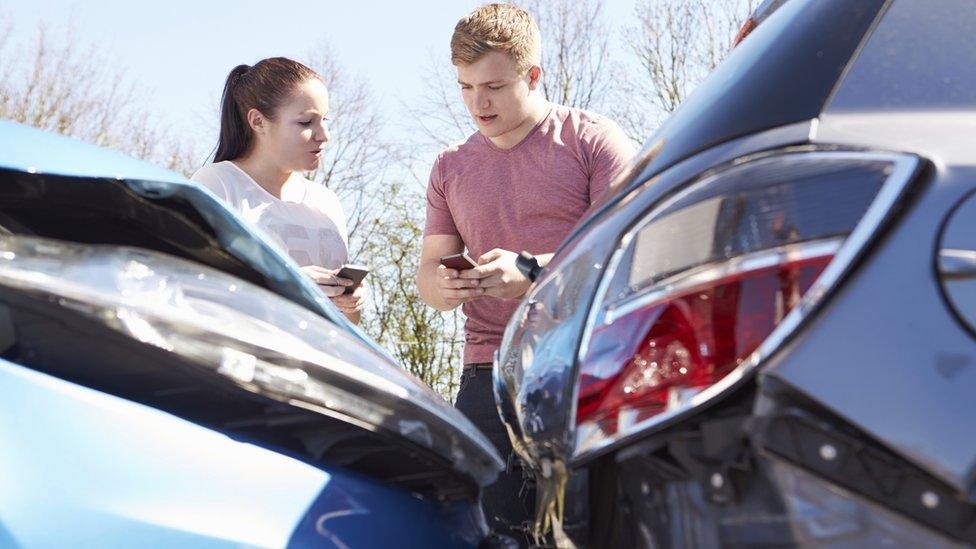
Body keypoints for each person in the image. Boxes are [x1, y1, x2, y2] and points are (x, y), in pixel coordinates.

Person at [416, 4, 636, 543]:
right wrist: (443, 287)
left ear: (533, 75)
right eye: (465, 87)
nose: (476, 103)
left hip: (586, 365)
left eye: (492, 86)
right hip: (486, 375)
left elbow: (628, 258)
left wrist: (535, 273)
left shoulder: (593, 141)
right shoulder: (450, 167)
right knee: (494, 537)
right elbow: (427, 276)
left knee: (595, 533)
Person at [192, 57, 366, 324]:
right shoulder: (218, 184)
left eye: (325, 120)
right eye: (306, 122)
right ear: (258, 121)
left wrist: (351, 302)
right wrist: (289, 285)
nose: (324, 134)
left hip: (321, 361)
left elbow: (349, 324)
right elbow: (196, 292)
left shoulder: (326, 201)